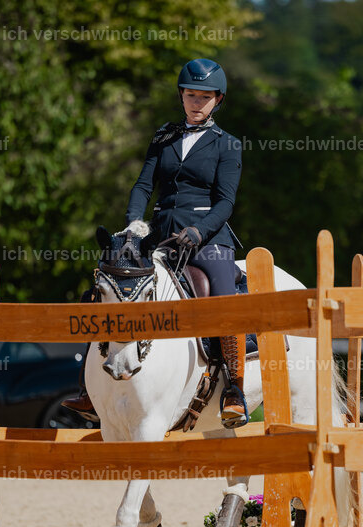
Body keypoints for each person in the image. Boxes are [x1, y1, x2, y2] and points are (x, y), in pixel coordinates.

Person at [64, 58, 248, 429]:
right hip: (161, 234)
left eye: (205, 97)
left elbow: (226, 201)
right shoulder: (163, 136)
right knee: (109, 283)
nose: (197, 102)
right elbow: (144, 186)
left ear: (218, 100)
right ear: (181, 96)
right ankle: (88, 386)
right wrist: (134, 223)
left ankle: (234, 389)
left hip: (207, 237)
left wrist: (198, 231)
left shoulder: (227, 145)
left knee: (225, 299)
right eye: (191, 95)